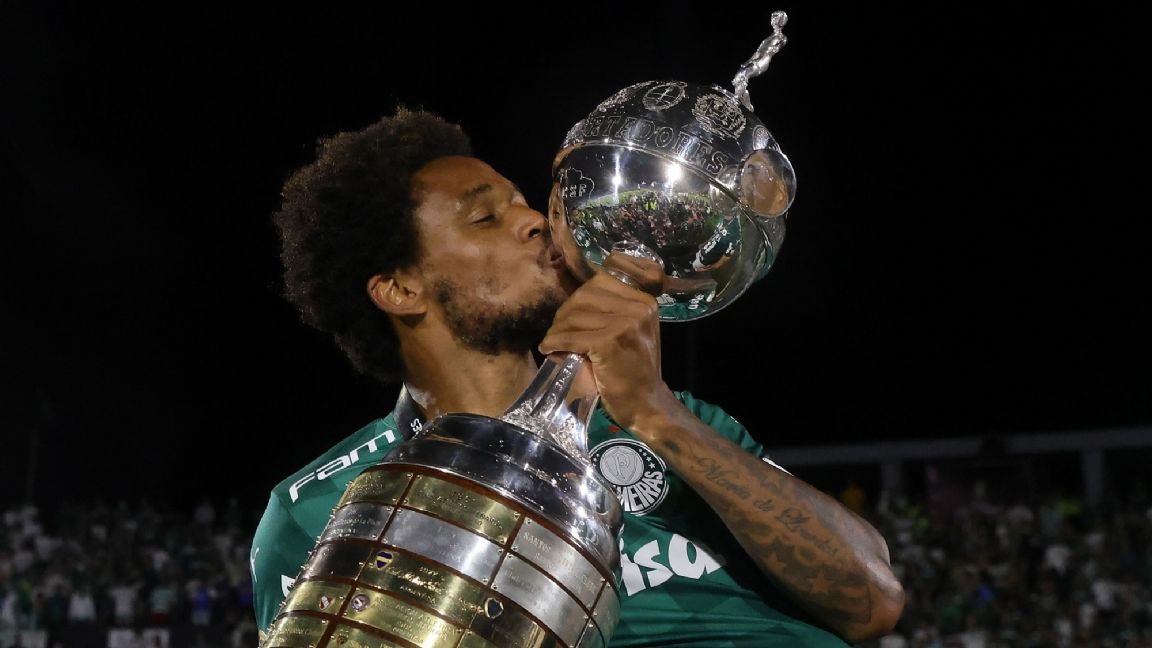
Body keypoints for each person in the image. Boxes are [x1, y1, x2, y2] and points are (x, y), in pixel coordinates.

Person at [250, 107, 905, 646]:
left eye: (522, 204)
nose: (536, 220)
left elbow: (873, 602)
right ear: (399, 289)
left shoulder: (673, 421)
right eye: (486, 218)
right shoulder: (320, 508)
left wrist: (657, 415)